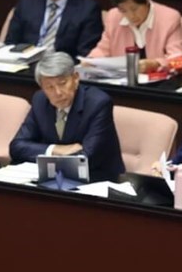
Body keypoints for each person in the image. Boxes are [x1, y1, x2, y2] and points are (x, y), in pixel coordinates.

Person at [10, 51, 125, 181]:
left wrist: (44, 155)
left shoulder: (98, 103)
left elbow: (86, 158)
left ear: (75, 78)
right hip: (54, 178)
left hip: (97, 178)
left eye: (62, 83)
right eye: (50, 87)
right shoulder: (40, 100)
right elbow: (17, 147)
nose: (58, 93)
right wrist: (56, 149)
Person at [87, 0, 182, 73]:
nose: (131, 16)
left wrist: (156, 64)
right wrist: (90, 60)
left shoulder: (169, 18)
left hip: (161, 83)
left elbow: (178, 60)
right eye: (123, 10)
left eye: (134, 9)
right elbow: (103, 49)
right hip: (121, 81)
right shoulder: (114, 16)